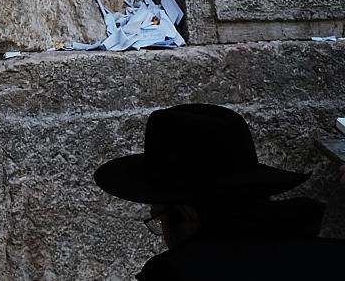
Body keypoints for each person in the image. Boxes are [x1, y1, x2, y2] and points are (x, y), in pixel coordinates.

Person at [93, 102, 345, 279]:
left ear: (188, 217)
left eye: (159, 220)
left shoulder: (174, 273)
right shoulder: (333, 258)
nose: (164, 236)